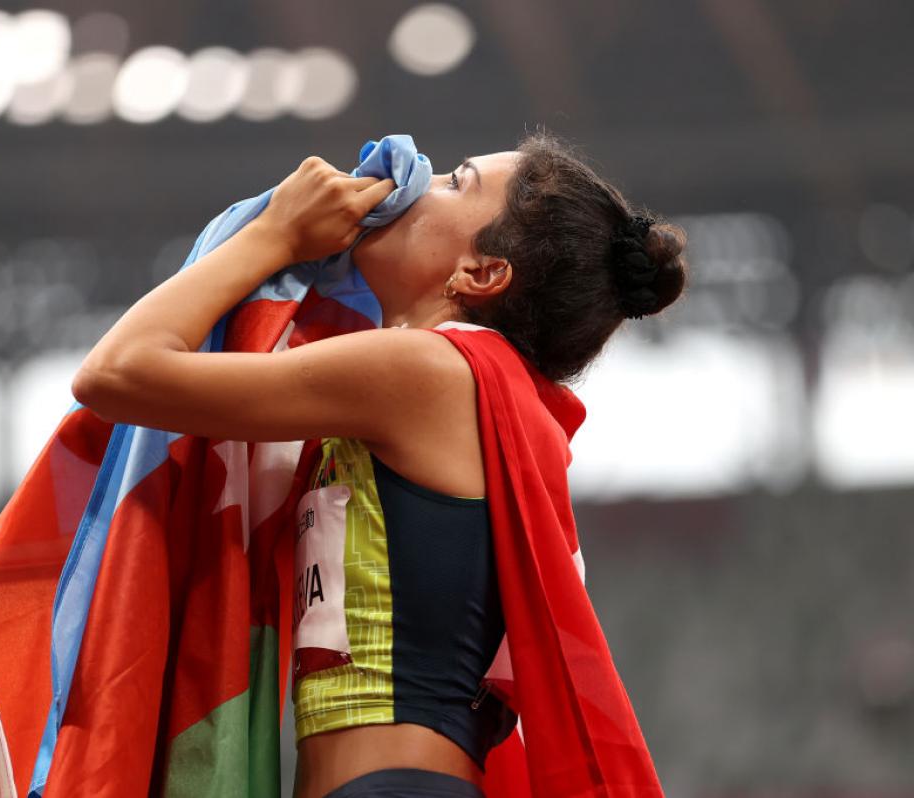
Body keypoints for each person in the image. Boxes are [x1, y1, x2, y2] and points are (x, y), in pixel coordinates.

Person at [70, 131, 687, 798]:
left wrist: (272, 235)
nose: (420, 180)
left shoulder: (426, 371)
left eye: (457, 181)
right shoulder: (439, 386)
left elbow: (116, 372)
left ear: (481, 273)